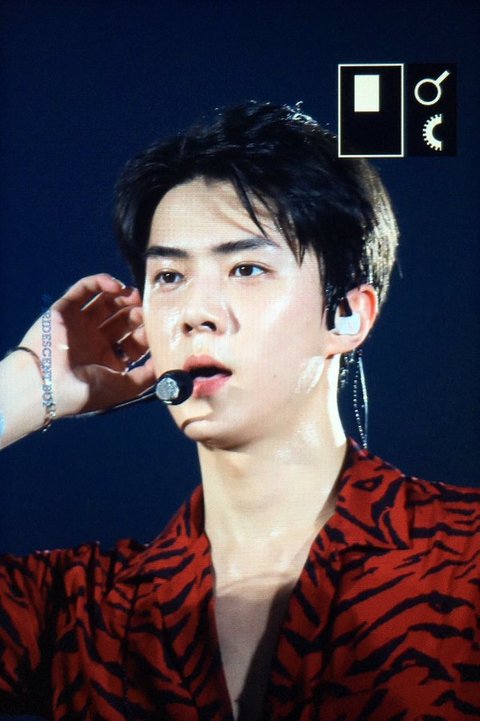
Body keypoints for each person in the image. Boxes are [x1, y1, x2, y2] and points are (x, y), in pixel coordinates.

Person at [0, 101, 478, 721]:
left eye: (246, 268)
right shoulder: (81, 610)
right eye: (169, 277)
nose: (196, 314)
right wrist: (26, 384)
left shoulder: (464, 558)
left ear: (346, 315)